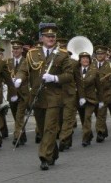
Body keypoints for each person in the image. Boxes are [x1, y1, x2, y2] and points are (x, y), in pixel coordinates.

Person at [15, 24, 72, 170]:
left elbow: (69, 75)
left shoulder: (63, 54)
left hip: (54, 96)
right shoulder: (32, 54)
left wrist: (54, 78)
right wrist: (19, 79)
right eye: (48, 36)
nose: (51, 39)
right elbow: (23, 69)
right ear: (42, 38)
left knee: (50, 128)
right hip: (37, 96)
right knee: (41, 128)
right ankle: (53, 152)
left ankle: (44, 157)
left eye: (53, 36)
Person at [6, 40, 29, 147]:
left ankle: (17, 137)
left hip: (23, 93)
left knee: (19, 116)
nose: (15, 51)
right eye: (14, 49)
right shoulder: (8, 62)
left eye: (17, 49)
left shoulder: (26, 61)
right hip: (12, 94)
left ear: (21, 50)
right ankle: (22, 135)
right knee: (16, 116)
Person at [75, 52, 100, 147]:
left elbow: (99, 86)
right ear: (80, 60)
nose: (85, 60)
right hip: (79, 99)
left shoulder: (94, 70)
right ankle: (89, 135)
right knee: (82, 119)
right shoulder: (76, 70)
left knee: (87, 118)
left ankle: (85, 139)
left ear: (89, 60)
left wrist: (100, 100)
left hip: (91, 99)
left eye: (87, 58)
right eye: (83, 58)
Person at [92, 45, 111, 143]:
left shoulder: (109, 65)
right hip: (94, 93)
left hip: (105, 92)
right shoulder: (91, 64)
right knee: (98, 113)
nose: (100, 55)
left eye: (102, 54)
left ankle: (100, 132)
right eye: (98, 53)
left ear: (105, 55)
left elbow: (109, 79)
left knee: (101, 112)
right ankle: (104, 131)